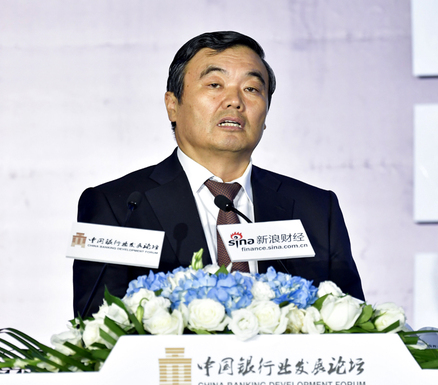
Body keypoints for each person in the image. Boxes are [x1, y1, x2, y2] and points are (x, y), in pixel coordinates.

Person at [73, 31, 364, 317]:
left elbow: (352, 326)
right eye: (215, 84)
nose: (235, 101)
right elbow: (100, 330)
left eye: (251, 89)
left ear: (265, 115)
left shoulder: (314, 209)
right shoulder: (116, 206)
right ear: (172, 106)